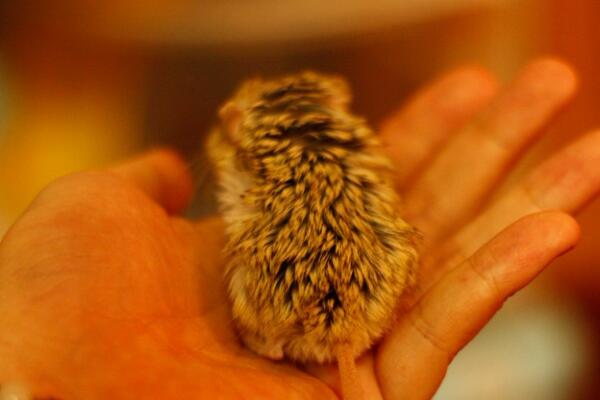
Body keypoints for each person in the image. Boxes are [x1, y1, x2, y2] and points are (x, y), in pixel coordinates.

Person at [0, 58, 597, 399]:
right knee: (385, 246)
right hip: (368, 312)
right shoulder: (354, 141)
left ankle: (270, 334)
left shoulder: (241, 151)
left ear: (239, 131)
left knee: (256, 252)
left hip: (283, 321)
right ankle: (357, 318)